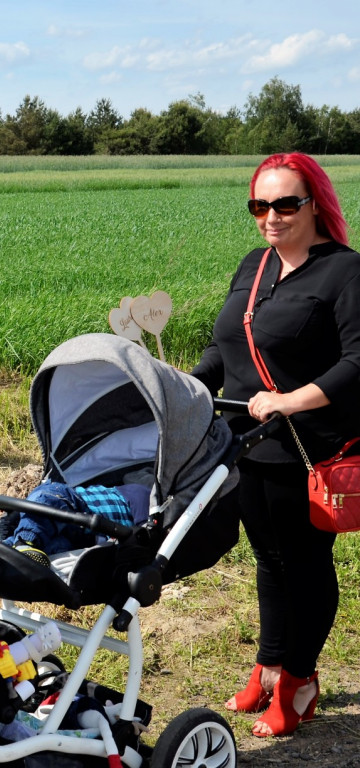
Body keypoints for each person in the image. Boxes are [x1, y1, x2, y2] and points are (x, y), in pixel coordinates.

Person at [192, 153, 360, 737]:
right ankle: (268, 664)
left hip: (305, 447)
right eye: (260, 205)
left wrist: (292, 399)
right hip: (245, 441)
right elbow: (228, 349)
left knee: (306, 565)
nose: (272, 216)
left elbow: (358, 362)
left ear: (315, 204)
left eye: (286, 203)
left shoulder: (344, 271)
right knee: (267, 559)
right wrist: (189, 386)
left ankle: (299, 682)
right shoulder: (255, 265)